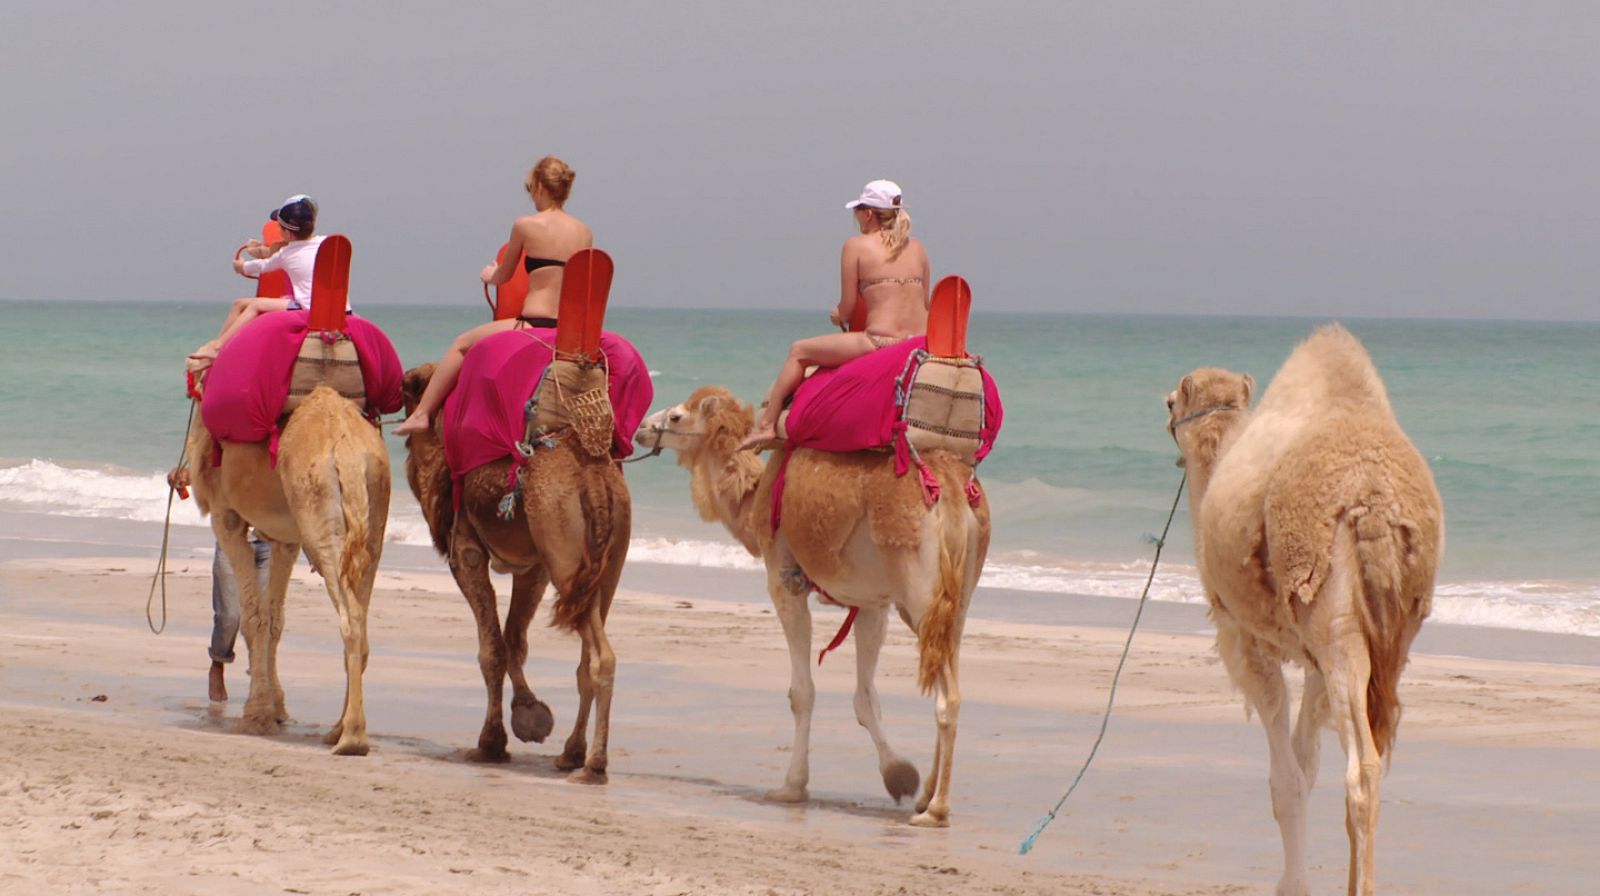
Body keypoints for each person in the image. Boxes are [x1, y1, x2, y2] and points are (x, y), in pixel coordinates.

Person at [392, 156, 591, 436]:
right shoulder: (584, 232)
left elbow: (505, 276)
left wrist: (489, 274)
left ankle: (422, 414)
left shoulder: (526, 225)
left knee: (461, 345)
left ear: (538, 187)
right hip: (566, 331)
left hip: (534, 323)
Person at [737, 179, 931, 451]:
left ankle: (767, 426)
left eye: (858, 213)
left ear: (868, 214)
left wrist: (836, 314)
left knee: (799, 351)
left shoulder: (856, 246)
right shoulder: (918, 248)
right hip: (919, 343)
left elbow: (848, 308)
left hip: (881, 341)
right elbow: (926, 303)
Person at [167, 467, 269, 702]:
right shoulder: (230, 445)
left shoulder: (275, 447)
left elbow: (298, 502)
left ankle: (260, 681)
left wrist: (312, 550)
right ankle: (218, 663)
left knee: (264, 617)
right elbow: (206, 469)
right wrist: (180, 477)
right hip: (231, 542)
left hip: (269, 545)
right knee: (229, 616)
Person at [191, 194, 325, 363]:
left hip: (304, 305)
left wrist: (240, 266)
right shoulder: (325, 243)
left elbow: (265, 263)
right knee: (241, 303)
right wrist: (257, 249)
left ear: (287, 232)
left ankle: (218, 348)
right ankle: (217, 346)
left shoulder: (286, 253)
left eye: (280, 227)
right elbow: (271, 252)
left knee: (255, 305)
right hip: (330, 305)